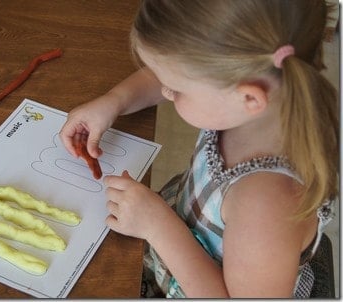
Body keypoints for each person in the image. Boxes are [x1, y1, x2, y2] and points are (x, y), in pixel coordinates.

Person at [59, 0, 339, 298]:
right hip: (173, 232)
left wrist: (158, 226)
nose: (165, 91)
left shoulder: (266, 205)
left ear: (248, 98)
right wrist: (114, 101)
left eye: (176, 90)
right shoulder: (250, 102)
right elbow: (171, 72)